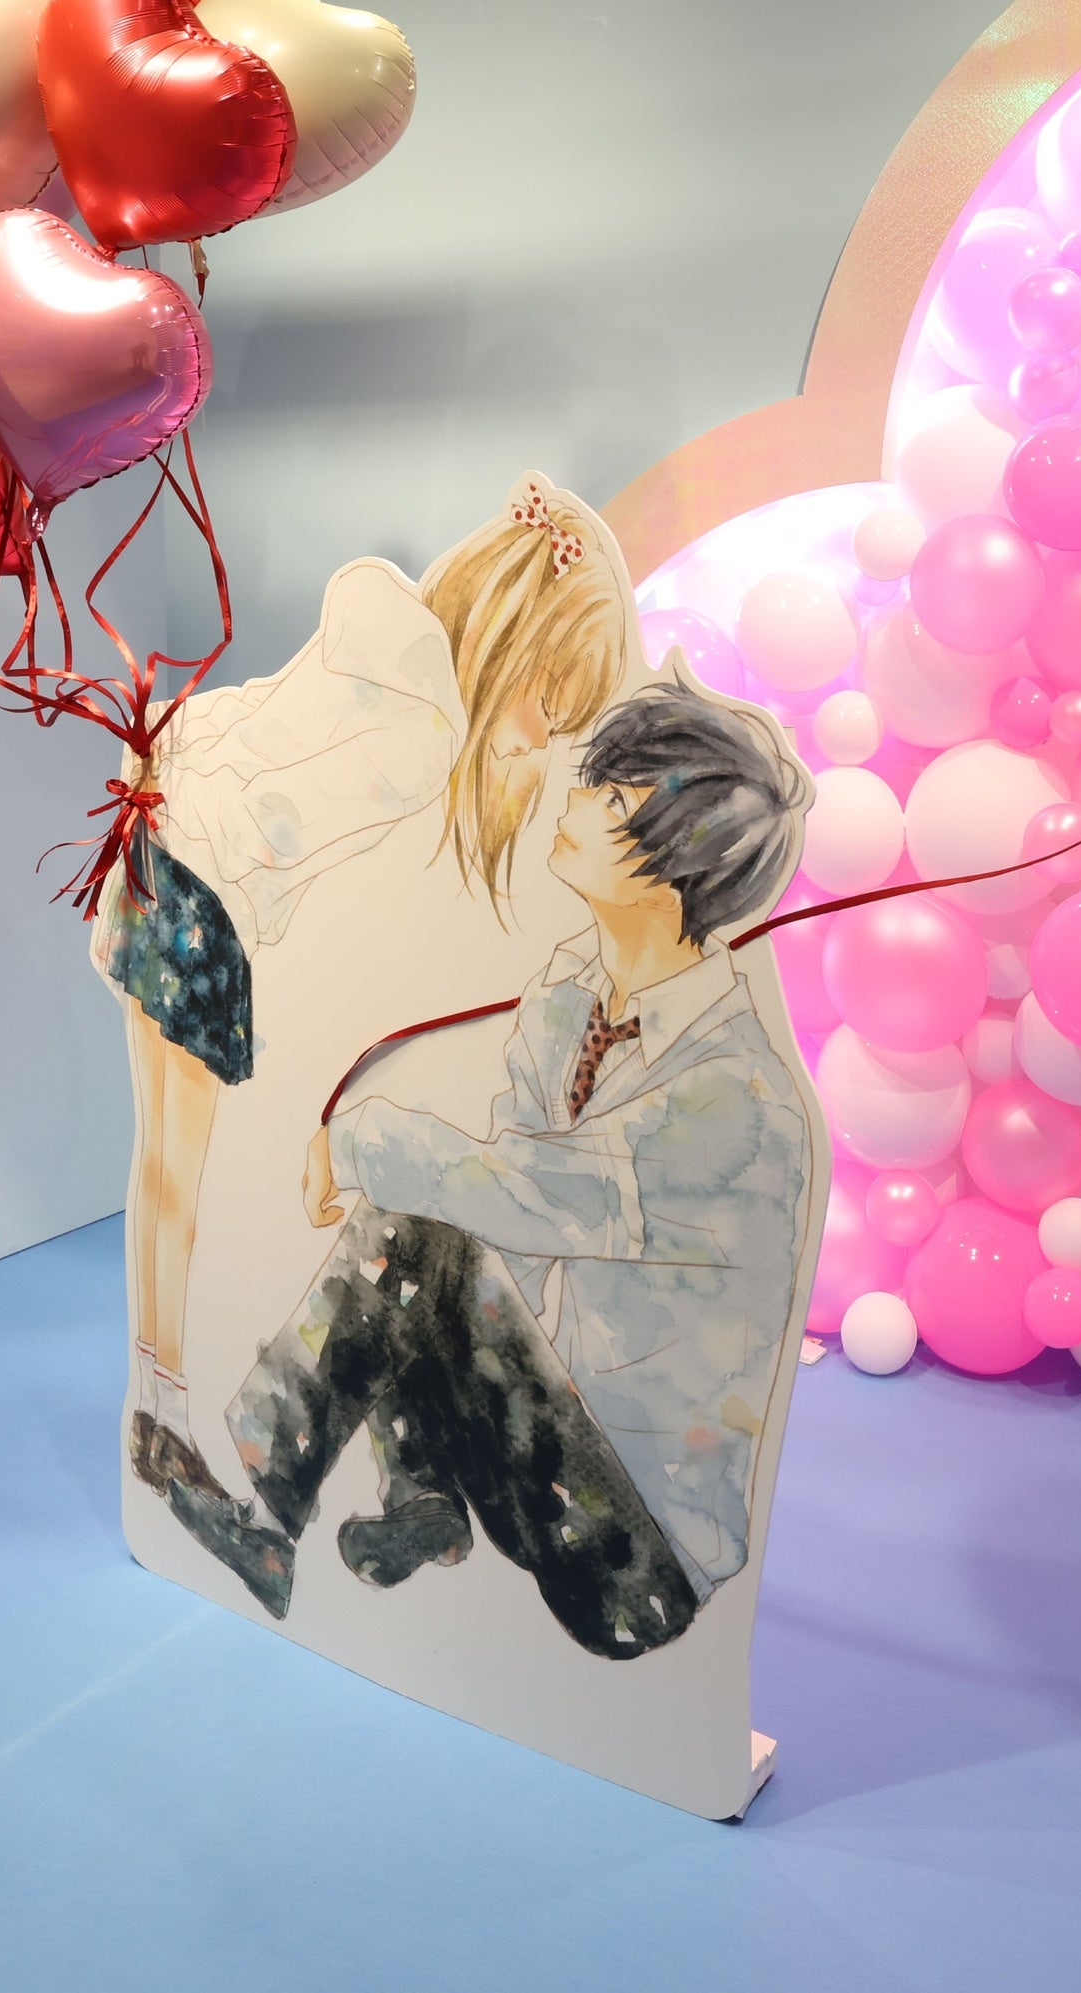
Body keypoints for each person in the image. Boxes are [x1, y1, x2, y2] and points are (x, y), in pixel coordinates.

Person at [139, 682, 816, 1662]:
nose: (574, 798)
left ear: (680, 867)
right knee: (433, 1221)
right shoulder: (570, 993)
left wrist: (357, 1137)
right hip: (544, 1455)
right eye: (594, 782)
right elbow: (501, 1228)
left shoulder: (738, 1100)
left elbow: (529, 1194)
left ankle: (265, 1509)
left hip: (639, 1563)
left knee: (421, 1222)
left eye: (613, 800)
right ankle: (419, 1496)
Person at [94, 476, 630, 1461]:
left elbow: (248, 728)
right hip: (209, 902)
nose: (542, 738)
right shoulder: (424, 736)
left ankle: (155, 1403)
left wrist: (164, 775)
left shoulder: (382, 655)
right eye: (553, 701)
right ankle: (163, 1410)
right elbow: (315, 846)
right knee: (183, 1183)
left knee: (163, 1173)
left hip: (158, 851)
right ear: (517, 645)